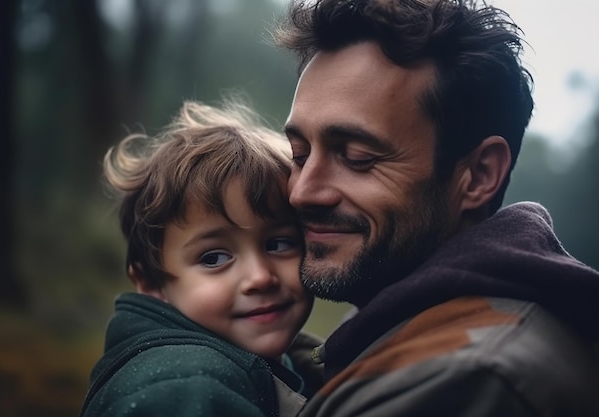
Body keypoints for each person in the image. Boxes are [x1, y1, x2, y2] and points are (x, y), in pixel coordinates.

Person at [272, 0, 599, 415]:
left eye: (357, 157)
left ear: (479, 175)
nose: (302, 192)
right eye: (299, 154)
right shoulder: (404, 328)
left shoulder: (463, 381)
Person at [80, 99, 323, 417]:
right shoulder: (186, 387)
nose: (261, 277)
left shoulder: (305, 367)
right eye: (213, 258)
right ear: (152, 284)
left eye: (278, 244)